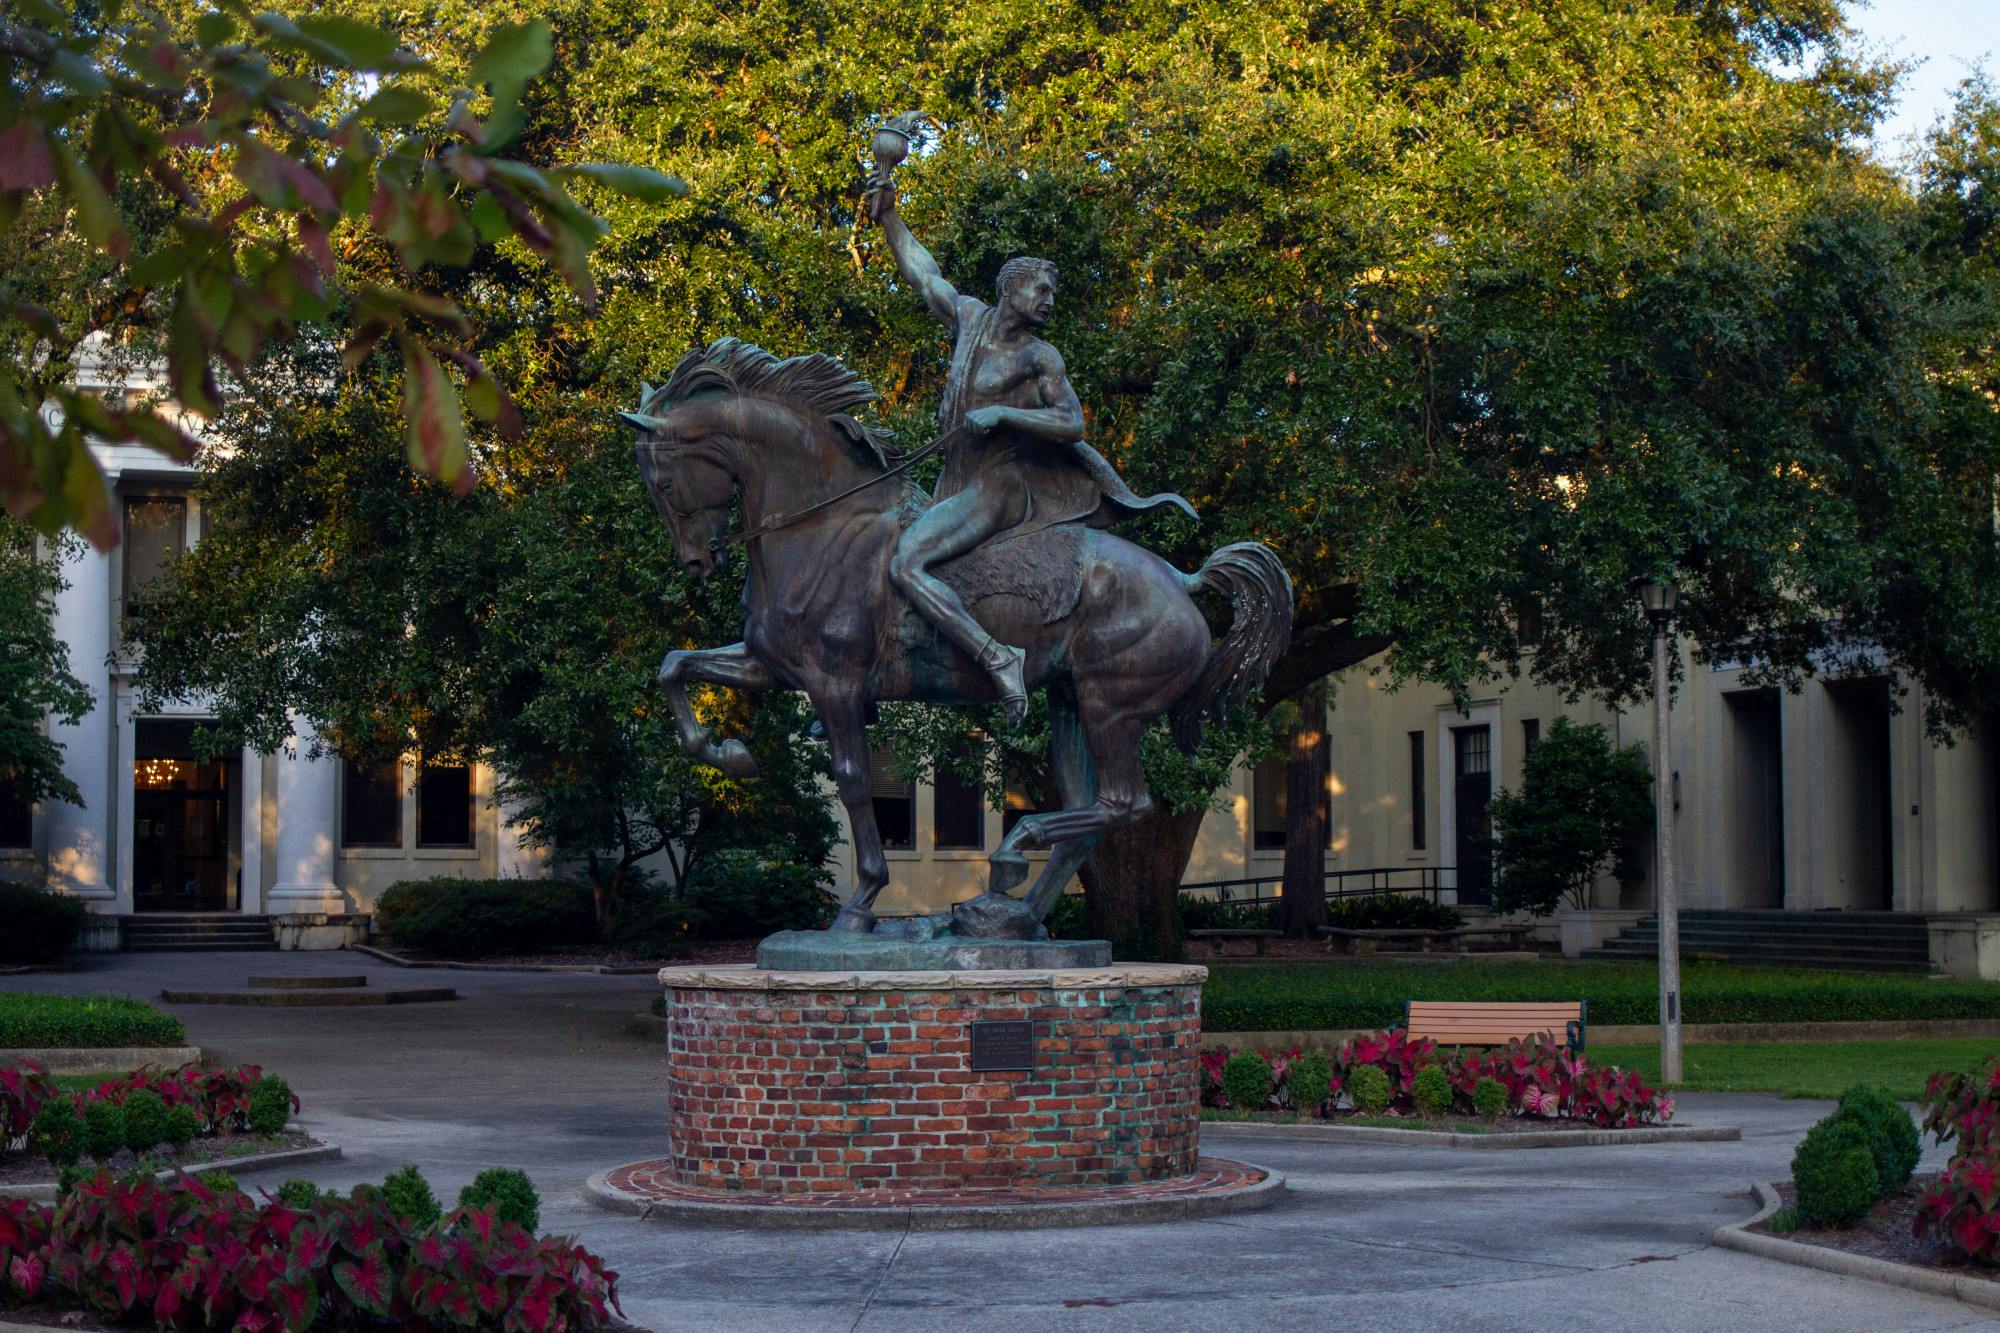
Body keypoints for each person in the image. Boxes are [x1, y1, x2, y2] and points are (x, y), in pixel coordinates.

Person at [865, 171, 1194, 724]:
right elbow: (926, 276)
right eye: (1041, 289)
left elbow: (1073, 422)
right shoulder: (969, 319)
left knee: (907, 560)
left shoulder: (1040, 357)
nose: (1048, 301)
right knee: (866, 548)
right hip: (954, 484)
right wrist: (889, 217)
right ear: (1009, 289)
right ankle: (862, 687)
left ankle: (999, 657)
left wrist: (1004, 413)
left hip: (999, 487)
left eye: (1052, 293)